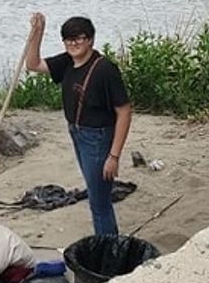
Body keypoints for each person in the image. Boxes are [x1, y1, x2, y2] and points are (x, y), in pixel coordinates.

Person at [25, 13, 132, 236]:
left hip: (98, 138)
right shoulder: (67, 62)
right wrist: (37, 32)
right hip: (77, 133)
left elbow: (124, 112)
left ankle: (108, 249)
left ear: (91, 40)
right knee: (95, 194)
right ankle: (105, 244)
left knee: (99, 201)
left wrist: (113, 157)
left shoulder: (104, 69)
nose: (73, 44)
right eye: (68, 39)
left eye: (79, 38)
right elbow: (33, 64)